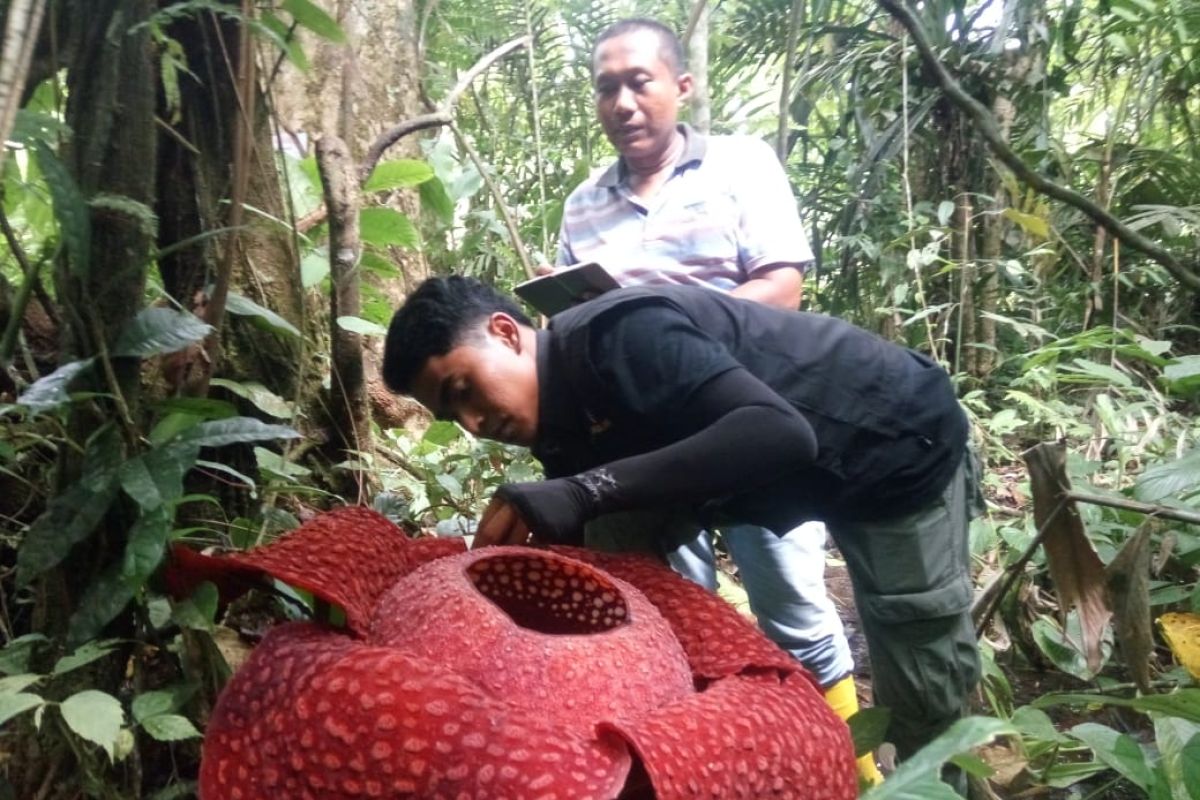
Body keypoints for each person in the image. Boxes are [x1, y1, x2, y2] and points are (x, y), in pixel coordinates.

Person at [381, 276, 982, 776]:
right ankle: (664, 744)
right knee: (609, 563)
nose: (472, 422)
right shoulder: (558, 430)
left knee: (921, 677)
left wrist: (584, 490)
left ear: (507, 333)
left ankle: (950, 784)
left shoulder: (620, 335)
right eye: (450, 414)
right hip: (779, 479)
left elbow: (780, 433)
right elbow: (587, 552)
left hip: (892, 444)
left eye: (464, 390)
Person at [553, 17, 868, 769]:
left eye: (639, 82)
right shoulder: (582, 205)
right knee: (675, 607)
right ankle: (722, 759)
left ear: (680, 86)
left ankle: (853, 764)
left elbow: (783, 284)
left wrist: (670, 343)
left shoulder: (740, 165)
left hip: (748, 412)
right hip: (642, 442)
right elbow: (570, 321)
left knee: (790, 600)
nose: (623, 102)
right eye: (607, 88)